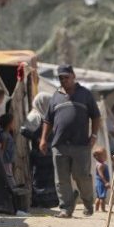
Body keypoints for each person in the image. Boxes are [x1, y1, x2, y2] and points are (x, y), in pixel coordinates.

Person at [39, 64, 101, 218]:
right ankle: (66, 208)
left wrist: (93, 135)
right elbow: (48, 120)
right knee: (61, 179)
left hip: (81, 145)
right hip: (59, 145)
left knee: (82, 176)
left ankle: (88, 203)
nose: (63, 80)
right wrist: (43, 139)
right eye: (61, 78)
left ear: (73, 76)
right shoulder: (55, 96)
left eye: (66, 77)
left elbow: (96, 116)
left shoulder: (85, 94)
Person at [93, 148, 110, 212]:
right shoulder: (101, 165)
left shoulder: (99, 164)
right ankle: (103, 209)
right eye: (104, 155)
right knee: (102, 197)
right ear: (98, 157)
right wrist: (106, 182)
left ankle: (96, 209)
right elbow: (101, 175)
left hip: (98, 183)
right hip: (101, 183)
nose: (106, 156)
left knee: (98, 197)